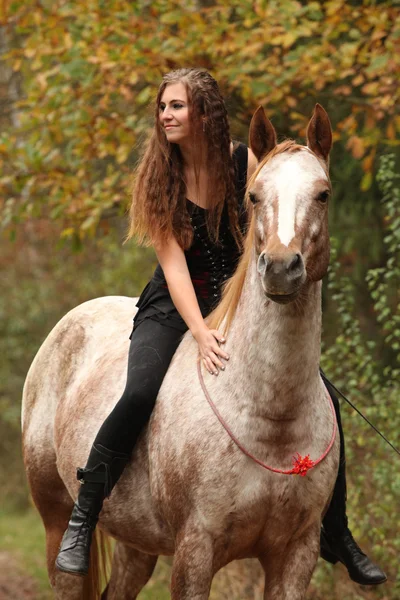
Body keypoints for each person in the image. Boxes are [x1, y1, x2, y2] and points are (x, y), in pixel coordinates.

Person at [55, 68, 386, 586]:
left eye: (177, 106)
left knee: (325, 398)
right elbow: (172, 265)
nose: (166, 115)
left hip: (241, 294)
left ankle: (336, 532)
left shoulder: (243, 160)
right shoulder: (158, 177)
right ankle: (84, 515)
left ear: (204, 112)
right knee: (140, 391)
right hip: (176, 301)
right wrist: (202, 331)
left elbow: (278, 203)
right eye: (163, 107)